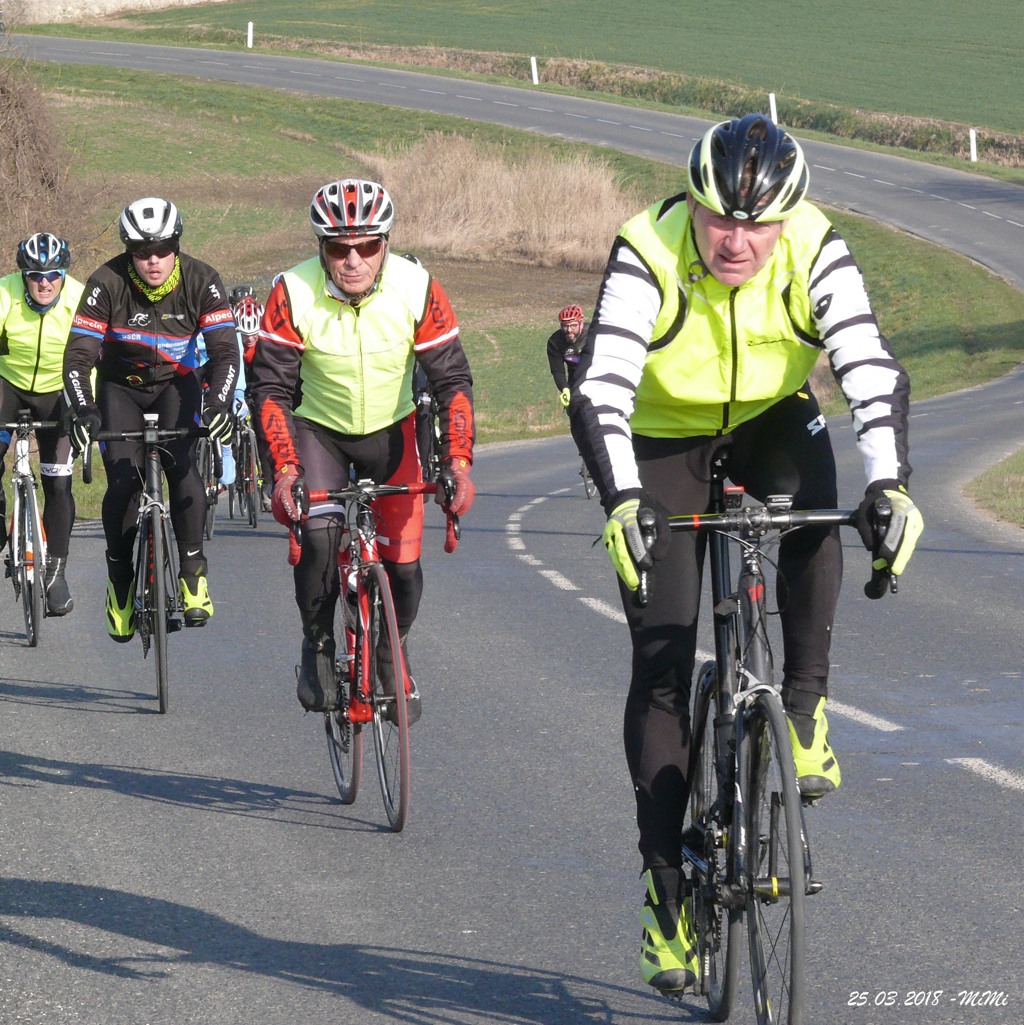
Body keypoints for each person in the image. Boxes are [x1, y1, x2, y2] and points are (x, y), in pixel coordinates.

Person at [569, 114, 924, 994]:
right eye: (720, 219)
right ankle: (665, 894)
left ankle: (802, 712)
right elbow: (601, 385)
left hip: (771, 416)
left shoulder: (814, 244)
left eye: (758, 225)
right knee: (661, 661)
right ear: (691, 203)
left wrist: (890, 484)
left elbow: (869, 365)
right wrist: (622, 499)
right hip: (660, 435)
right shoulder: (647, 248)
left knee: (819, 514)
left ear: (787, 217)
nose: (737, 241)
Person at [249, 178, 475, 716]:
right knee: (319, 539)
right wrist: (285, 471)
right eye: (337, 248)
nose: (353, 260)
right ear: (321, 248)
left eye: (367, 246)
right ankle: (317, 643)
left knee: (404, 567)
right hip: (318, 431)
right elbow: (271, 389)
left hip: (393, 432)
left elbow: (452, 381)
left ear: (385, 244)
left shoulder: (418, 287)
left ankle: (391, 650)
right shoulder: (292, 291)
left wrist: (457, 463)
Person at [63, 197, 239, 641]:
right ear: (129, 252)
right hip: (120, 388)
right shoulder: (106, 282)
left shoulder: (202, 280)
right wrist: (84, 410)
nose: (153, 260)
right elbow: (78, 357)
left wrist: (218, 404)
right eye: (142, 252)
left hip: (177, 385)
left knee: (184, 470)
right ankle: (121, 585)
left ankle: (193, 573)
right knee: (124, 482)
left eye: (163, 249)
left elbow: (225, 351)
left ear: (176, 246)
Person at [0, 232, 85, 615]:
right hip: (8, 384)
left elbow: (90, 359)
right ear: (24, 276)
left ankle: (56, 573)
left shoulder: (78, 299)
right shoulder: (5, 293)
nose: (45, 282)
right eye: (36, 275)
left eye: (53, 275)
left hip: (58, 390)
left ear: (63, 274)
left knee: (59, 480)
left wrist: (83, 405)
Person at [546, 302, 587, 410]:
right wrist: (564, 389)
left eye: (573, 325)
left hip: (598, 380)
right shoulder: (555, 341)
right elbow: (557, 370)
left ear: (581, 323)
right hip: (575, 382)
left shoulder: (593, 335)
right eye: (565, 326)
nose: (569, 330)